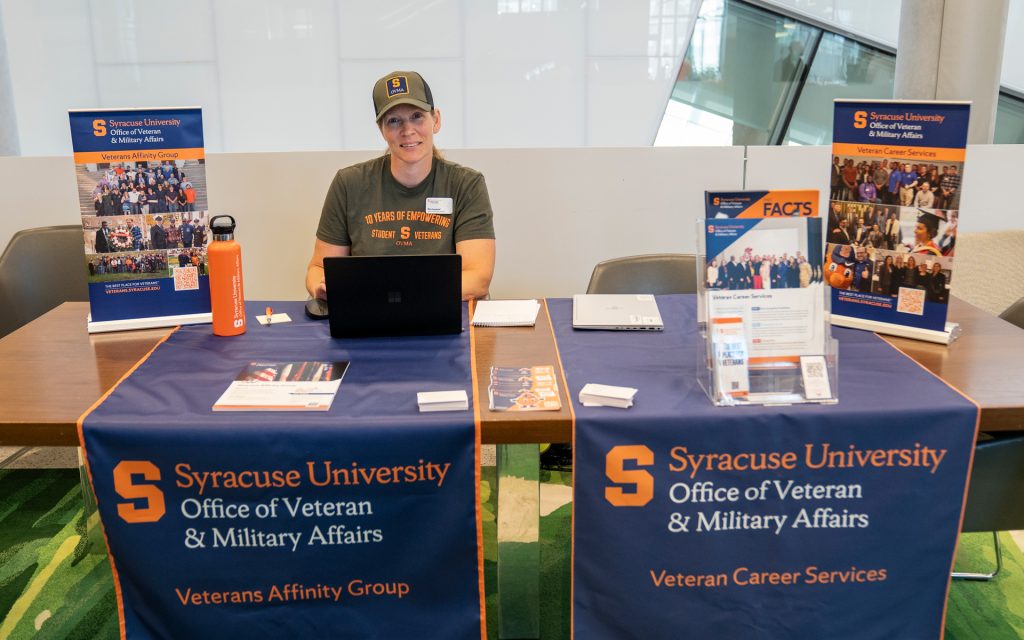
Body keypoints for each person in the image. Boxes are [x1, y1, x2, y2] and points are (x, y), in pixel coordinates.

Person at [306, 71, 496, 301]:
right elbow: (318, 269)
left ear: (436, 120)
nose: (407, 130)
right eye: (394, 120)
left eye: (417, 116)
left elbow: (477, 279)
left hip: (442, 322)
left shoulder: (466, 184)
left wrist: (395, 294)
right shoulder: (349, 184)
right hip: (368, 322)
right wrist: (320, 286)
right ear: (382, 130)